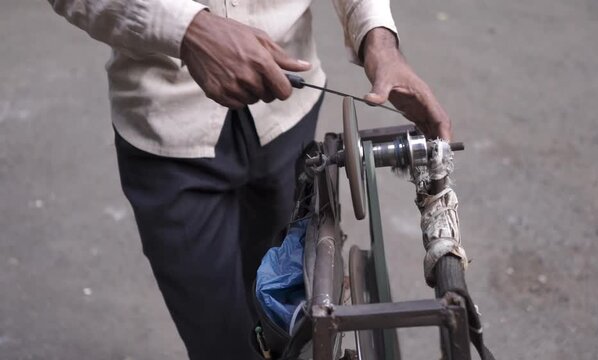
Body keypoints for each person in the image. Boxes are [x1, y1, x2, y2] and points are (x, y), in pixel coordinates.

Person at [48, 0, 452, 358]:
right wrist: (186, 28)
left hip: (289, 113)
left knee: (289, 311)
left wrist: (378, 39)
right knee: (216, 336)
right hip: (167, 133)